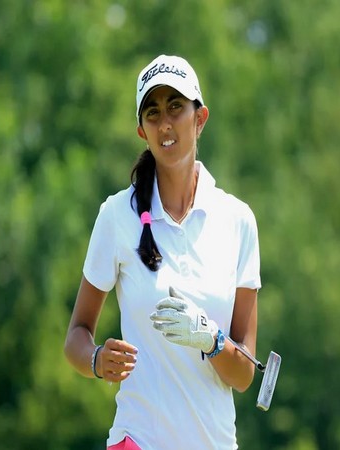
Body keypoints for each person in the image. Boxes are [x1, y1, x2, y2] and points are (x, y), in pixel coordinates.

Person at [64, 54, 262, 450]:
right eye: (152, 112)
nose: (165, 123)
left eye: (176, 106)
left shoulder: (237, 220)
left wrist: (210, 338)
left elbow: (242, 376)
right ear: (142, 130)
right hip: (137, 440)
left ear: (200, 117)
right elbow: (76, 335)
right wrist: (97, 359)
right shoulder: (116, 216)